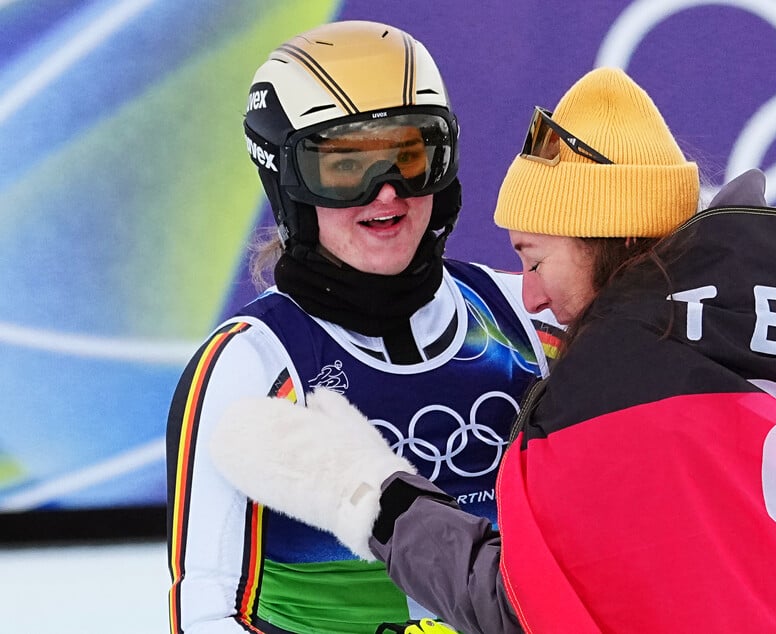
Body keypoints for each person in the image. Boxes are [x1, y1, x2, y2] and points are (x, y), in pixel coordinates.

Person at [207, 67, 776, 633]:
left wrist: (364, 490)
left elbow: (522, 611)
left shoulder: (617, 382)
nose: (527, 297)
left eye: (533, 258)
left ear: (603, 235)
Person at [165, 20, 560, 634]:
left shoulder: (526, 320)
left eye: (410, 156)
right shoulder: (252, 365)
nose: (387, 194)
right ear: (289, 185)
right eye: (345, 166)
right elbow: (208, 613)